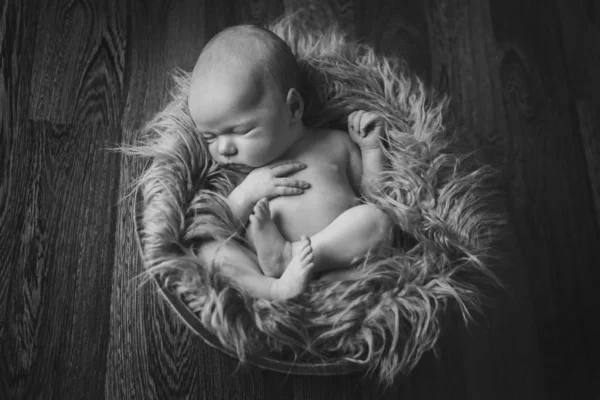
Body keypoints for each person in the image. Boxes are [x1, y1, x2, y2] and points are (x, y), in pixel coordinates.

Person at [188, 24, 393, 301]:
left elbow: (374, 195)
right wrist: (247, 193)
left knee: (377, 221)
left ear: (293, 108)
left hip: (340, 260)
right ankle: (273, 290)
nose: (224, 148)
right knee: (209, 251)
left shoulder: (334, 143)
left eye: (240, 131)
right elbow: (219, 224)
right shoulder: (238, 176)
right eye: (209, 137)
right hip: (267, 271)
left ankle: (289, 256)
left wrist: (371, 150)